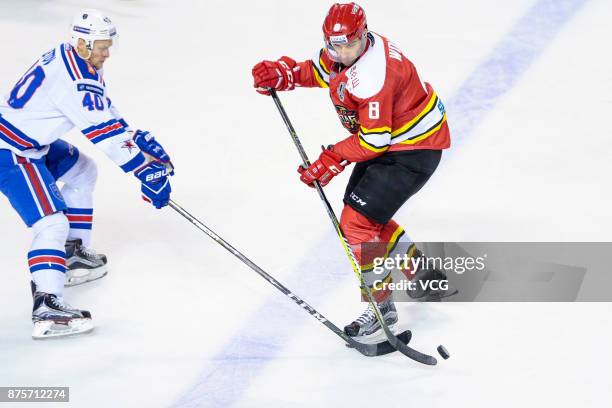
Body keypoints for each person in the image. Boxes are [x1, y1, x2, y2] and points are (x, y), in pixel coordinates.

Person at [252, 3, 451, 337]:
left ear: (364, 35)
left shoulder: (374, 75)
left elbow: (373, 141)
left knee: (356, 224)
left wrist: (331, 158)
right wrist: (286, 75)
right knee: (366, 216)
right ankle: (421, 272)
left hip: (412, 151)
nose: (342, 52)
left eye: (350, 45)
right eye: (335, 45)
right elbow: (322, 71)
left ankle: (381, 306)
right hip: (397, 144)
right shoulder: (347, 52)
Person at [0, 9, 173, 339]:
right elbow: (104, 135)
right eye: (101, 47)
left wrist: (134, 137)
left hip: (29, 142)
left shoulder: (75, 59)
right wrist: (146, 171)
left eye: (110, 46)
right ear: (81, 42)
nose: (107, 53)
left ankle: (71, 253)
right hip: (11, 153)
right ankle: (47, 305)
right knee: (50, 223)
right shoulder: (75, 81)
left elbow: (103, 108)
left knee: (82, 171)